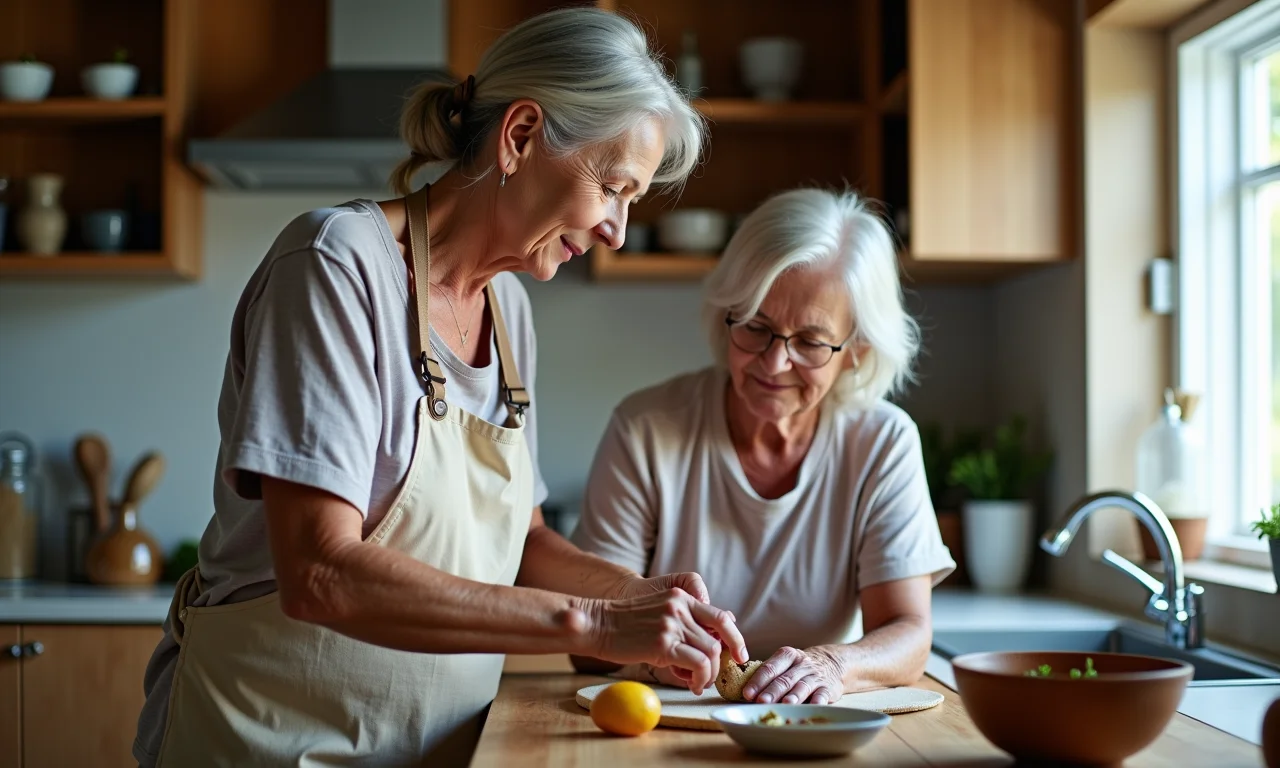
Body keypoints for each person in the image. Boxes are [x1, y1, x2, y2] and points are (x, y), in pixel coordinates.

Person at [132, 8, 748, 766]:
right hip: (271, 743)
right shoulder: (336, 264)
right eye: (613, 188)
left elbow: (519, 543)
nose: (617, 229)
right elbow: (320, 573)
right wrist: (592, 624)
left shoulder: (510, 307)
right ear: (520, 136)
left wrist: (639, 600)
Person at [570, 187, 956, 706]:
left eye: (812, 342)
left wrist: (833, 664)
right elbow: (588, 642)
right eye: (756, 327)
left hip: (816, 723)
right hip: (664, 717)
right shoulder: (646, 428)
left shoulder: (882, 442)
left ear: (856, 352)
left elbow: (908, 632)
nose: (774, 365)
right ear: (726, 314)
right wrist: (655, 652)